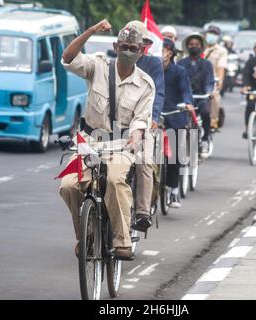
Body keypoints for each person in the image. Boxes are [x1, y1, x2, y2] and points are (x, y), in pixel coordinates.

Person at [59, 20, 155, 260]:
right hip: (89, 142)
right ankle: (86, 235)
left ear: (142, 51)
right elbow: (68, 58)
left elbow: (141, 119)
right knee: (68, 186)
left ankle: (122, 239)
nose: (128, 52)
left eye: (134, 49)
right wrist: (91, 30)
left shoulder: (145, 84)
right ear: (116, 45)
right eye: (124, 46)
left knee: (114, 179)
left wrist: (135, 137)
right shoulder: (98, 66)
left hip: (122, 145)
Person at [124, 20, 164, 232]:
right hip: (113, 126)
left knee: (144, 162)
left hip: (143, 123)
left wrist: (154, 117)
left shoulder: (153, 64)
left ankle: (142, 211)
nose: (131, 49)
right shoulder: (115, 62)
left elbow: (158, 94)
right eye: (127, 44)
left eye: (137, 44)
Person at [161, 38, 194, 208]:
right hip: (154, 117)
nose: (161, 53)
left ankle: (173, 190)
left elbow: (185, 91)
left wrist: (187, 103)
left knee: (173, 155)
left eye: (164, 49)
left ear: (171, 53)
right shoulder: (150, 71)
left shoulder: (179, 71)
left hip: (175, 115)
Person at [178, 33, 215, 159]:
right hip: (185, 98)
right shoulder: (181, 63)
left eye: (197, 45)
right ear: (187, 47)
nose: (194, 47)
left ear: (201, 47)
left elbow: (210, 81)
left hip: (200, 97)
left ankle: (205, 138)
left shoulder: (207, 64)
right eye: (191, 45)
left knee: (205, 111)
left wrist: (209, 92)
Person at [203, 25, 227, 131]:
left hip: (211, 80)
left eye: (215, 34)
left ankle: (213, 120)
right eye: (210, 33)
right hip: (195, 78)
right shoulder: (199, 45)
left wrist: (220, 81)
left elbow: (221, 67)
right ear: (205, 34)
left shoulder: (221, 51)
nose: (212, 35)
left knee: (215, 95)